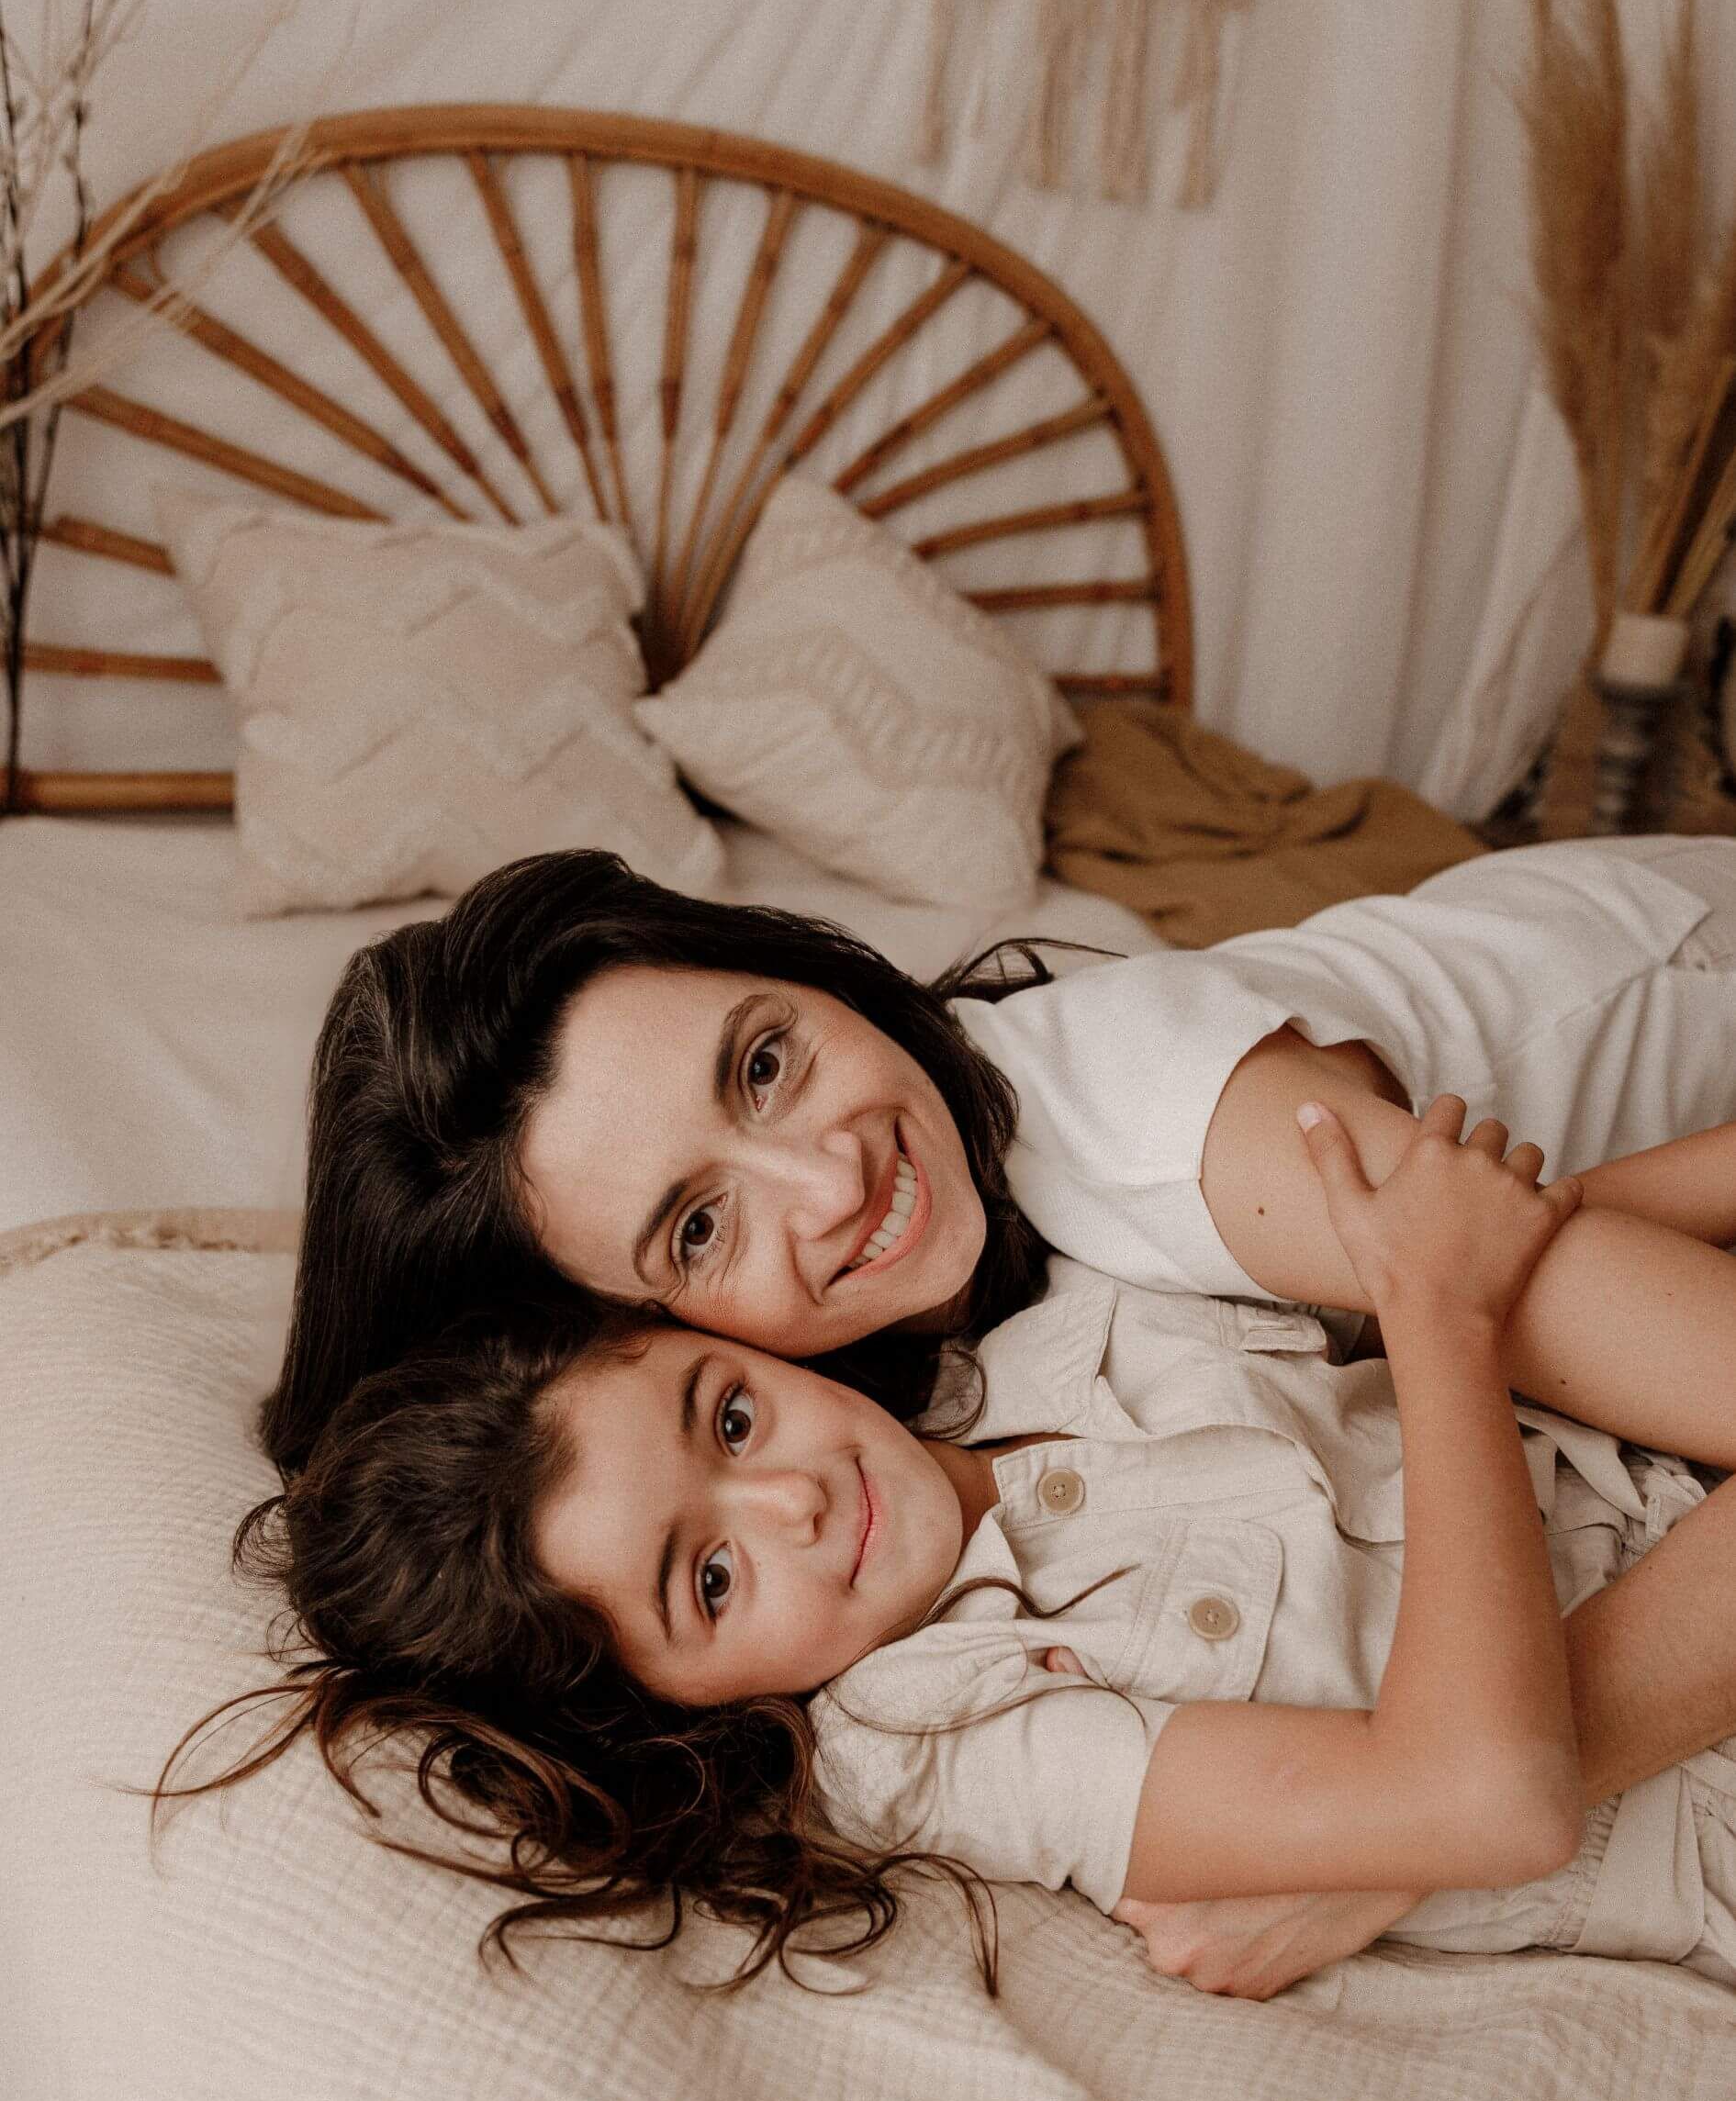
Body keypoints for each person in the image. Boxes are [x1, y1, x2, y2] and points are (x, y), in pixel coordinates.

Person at [261, 836, 1736, 1995]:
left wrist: (1392, 1854)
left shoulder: (1132, 1155)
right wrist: (1428, 1808)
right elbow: (1440, 1283)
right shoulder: (925, 1670)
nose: (833, 1186)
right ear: (639, 1320)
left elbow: (1438, 1287)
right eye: (699, 1231)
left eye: (765, 1063)